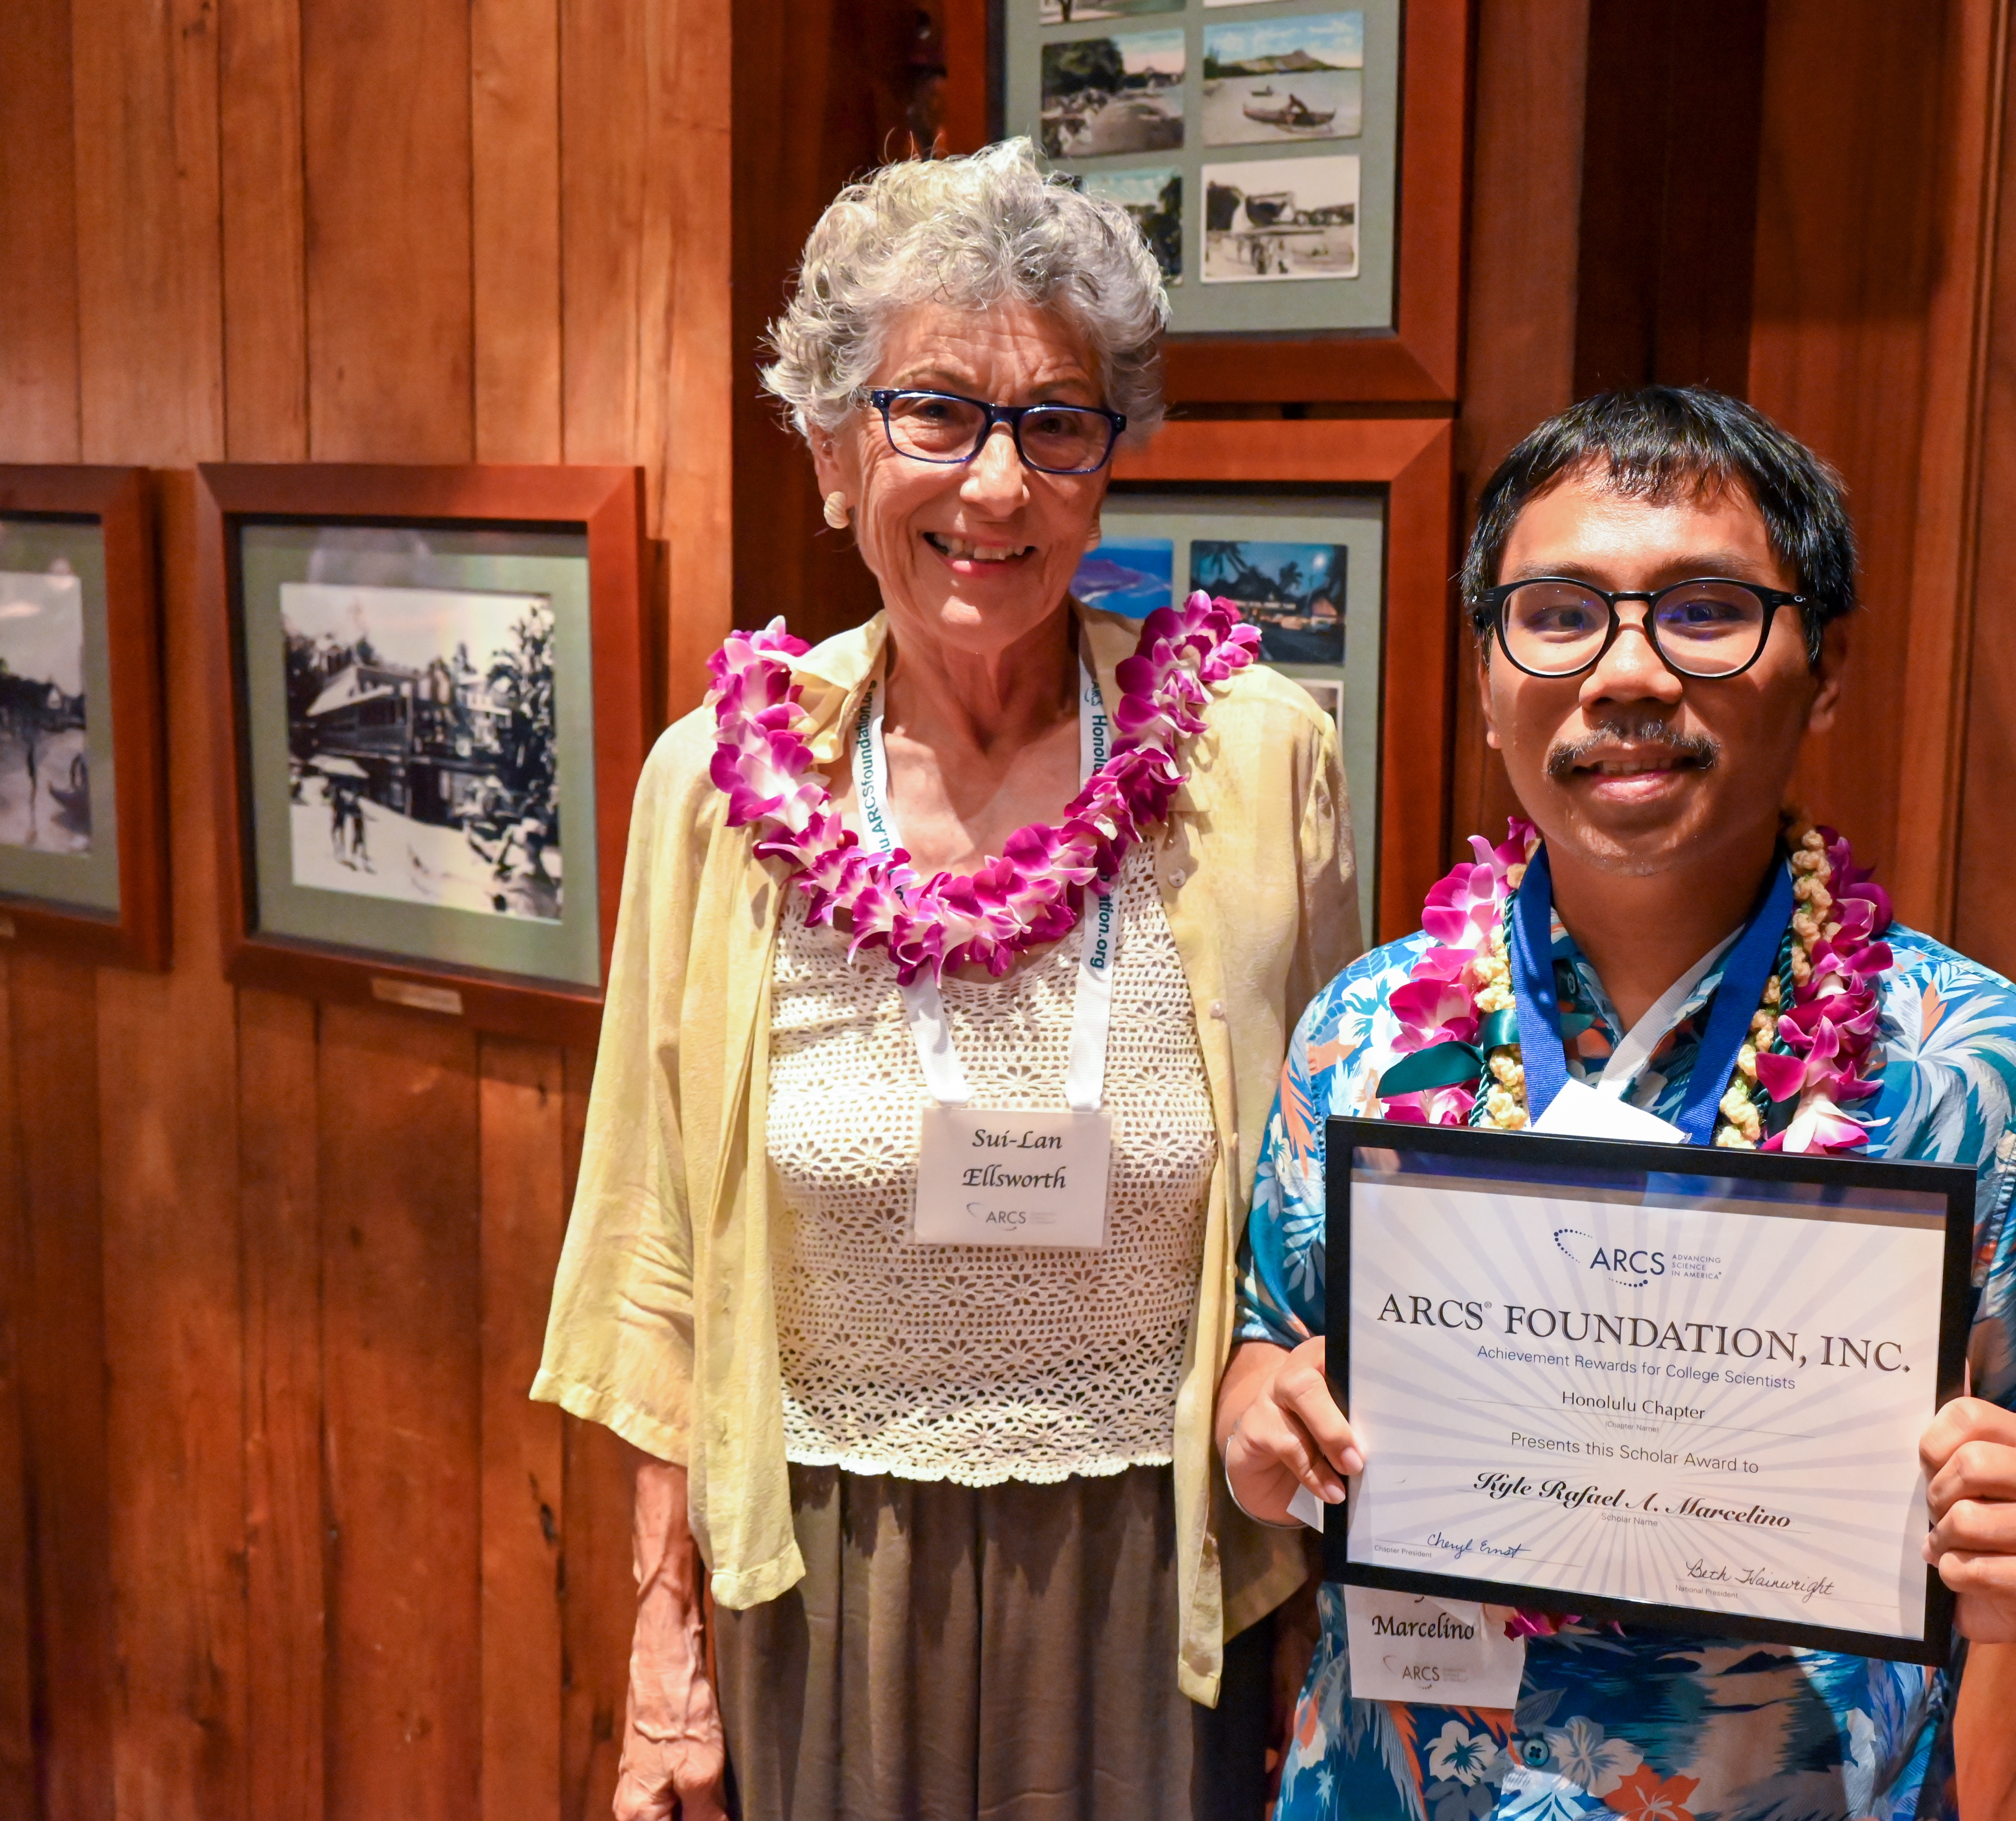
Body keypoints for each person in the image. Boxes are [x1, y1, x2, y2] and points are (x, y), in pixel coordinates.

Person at [536, 139, 1362, 1821]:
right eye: (935, 413)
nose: (997, 488)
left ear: (1109, 464)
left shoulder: (1262, 764)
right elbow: (658, 1259)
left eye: (1056, 422)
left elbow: (1322, 1225)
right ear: (836, 451)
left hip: (1163, 1579)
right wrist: (664, 1659)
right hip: (822, 1575)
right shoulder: (718, 786)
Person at [1217, 388, 2016, 1819]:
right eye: (1557, 613)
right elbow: (1265, 1352)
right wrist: (1260, 1426)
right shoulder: (1366, 1031)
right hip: (1401, 1780)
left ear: (1826, 667)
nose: (1627, 675)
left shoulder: (1982, 1065)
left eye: (1706, 611)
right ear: (1488, 676)